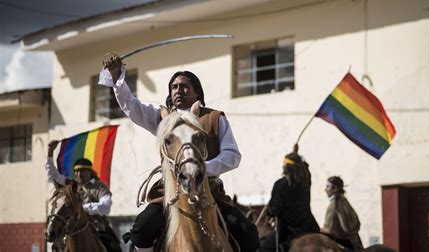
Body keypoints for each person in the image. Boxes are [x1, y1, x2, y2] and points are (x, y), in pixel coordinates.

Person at [100, 55, 259, 252]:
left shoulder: (214, 118)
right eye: (174, 87)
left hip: (209, 191)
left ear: (197, 92)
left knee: (248, 233)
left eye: (184, 86)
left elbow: (232, 155)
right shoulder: (162, 118)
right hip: (168, 193)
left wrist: (202, 168)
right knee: (142, 230)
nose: (178, 90)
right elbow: (131, 106)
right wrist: (117, 78)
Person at [45, 140, 122, 252]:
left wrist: (83, 208)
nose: (79, 174)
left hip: (97, 229)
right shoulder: (71, 185)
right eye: (76, 171)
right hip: (72, 229)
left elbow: (106, 206)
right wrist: (50, 152)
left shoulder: (99, 186)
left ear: (90, 172)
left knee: (114, 249)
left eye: (82, 171)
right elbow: (53, 175)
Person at [260, 147, 320, 252]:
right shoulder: (306, 181)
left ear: (286, 167)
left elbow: (273, 211)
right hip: (309, 226)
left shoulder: (280, 185)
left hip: (289, 231)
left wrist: (269, 211)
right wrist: (296, 154)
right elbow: (304, 166)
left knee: (265, 247)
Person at [320, 176, 363, 251]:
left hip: (345, 245)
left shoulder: (334, 206)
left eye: (328, 187)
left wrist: (319, 230)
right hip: (355, 242)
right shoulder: (344, 201)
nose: (325, 189)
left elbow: (329, 229)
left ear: (335, 188)